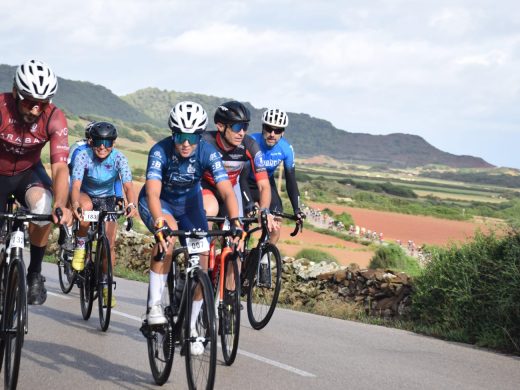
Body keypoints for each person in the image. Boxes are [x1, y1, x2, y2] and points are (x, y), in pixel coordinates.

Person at [138, 101, 241, 355]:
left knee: (203, 257)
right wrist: (159, 221)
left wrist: (236, 221)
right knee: (168, 238)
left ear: (199, 136)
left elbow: (226, 190)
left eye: (192, 137)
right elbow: (152, 191)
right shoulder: (160, 151)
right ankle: (154, 307)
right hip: (160, 203)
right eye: (180, 136)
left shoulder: (207, 152)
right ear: (173, 133)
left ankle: (193, 326)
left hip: (190, 205)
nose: (186, 143)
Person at [0, 59, 73, 305]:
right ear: (15, 93)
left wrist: (60, 205)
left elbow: (61, 167)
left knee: (45, 207)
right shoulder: (1, 108)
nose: (34, 110)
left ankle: (34, 273)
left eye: (41, 104)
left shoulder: (54, 117)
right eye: (30, 102)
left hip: (27, 172)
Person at [70, 121, 137, 307]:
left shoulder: (119, 158)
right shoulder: (83, 156)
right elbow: (75, 184)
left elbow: (128, 186)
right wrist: (75, 203)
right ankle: (81, 245)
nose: (102, 146)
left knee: (109, 242)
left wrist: (131, 203)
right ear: (91, 142)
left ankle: (106, 284)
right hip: (86, 194)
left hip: (107, 198)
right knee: (86, 208)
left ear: (113, 144)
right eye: (98, 141)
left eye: (107, 143)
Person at [201, 101, 275, 230]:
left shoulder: (250, 145)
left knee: (236, 237)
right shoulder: (204, 142)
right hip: (206, 186)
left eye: (245, 127)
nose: (242, 133)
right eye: (236, 127)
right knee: (207, 224)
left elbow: (264, 186)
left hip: (231, 189)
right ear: (220, 126)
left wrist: (264, 210)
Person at [240, 108, 305, 245]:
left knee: (275, 227)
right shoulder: (251, 142)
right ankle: (241, 253)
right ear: (263, 127)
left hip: (266, 184)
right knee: (244, 224)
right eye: (269, 129)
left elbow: (291, 181)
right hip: (246, 183)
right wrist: (250, 204)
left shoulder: (286, 149)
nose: (272, 134)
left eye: (278, 131)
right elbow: (242, 177)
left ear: (283, 132)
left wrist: (297, 210)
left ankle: (262, 261)